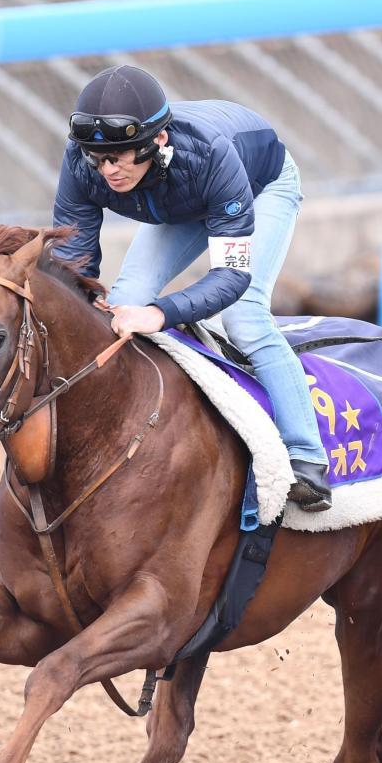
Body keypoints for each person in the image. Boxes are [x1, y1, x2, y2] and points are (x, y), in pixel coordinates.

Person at [51, 64, 331, 512]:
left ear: (157, 140)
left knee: (244, 317)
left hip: (257, 186)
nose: (108, 171)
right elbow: (74, 260)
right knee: (123, 303)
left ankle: (307, 456)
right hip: (179, 201)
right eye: (98, 158)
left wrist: (161, 314)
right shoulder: (82, 162)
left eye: (120, 157)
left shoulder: (211, 156)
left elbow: (231, 277)